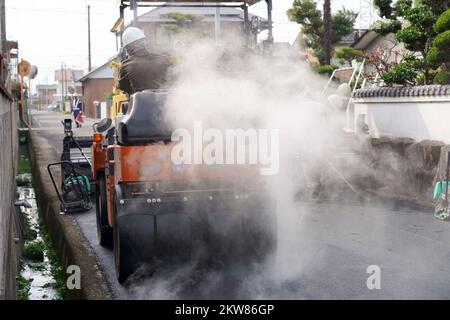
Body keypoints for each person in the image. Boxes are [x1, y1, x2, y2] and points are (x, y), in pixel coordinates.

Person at [118, 27, 172, 95]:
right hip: (166, 103)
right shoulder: (163, 59)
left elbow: (123, 87)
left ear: (128, 47)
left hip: (140, 104)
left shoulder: (126, 65)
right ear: (144, 42)